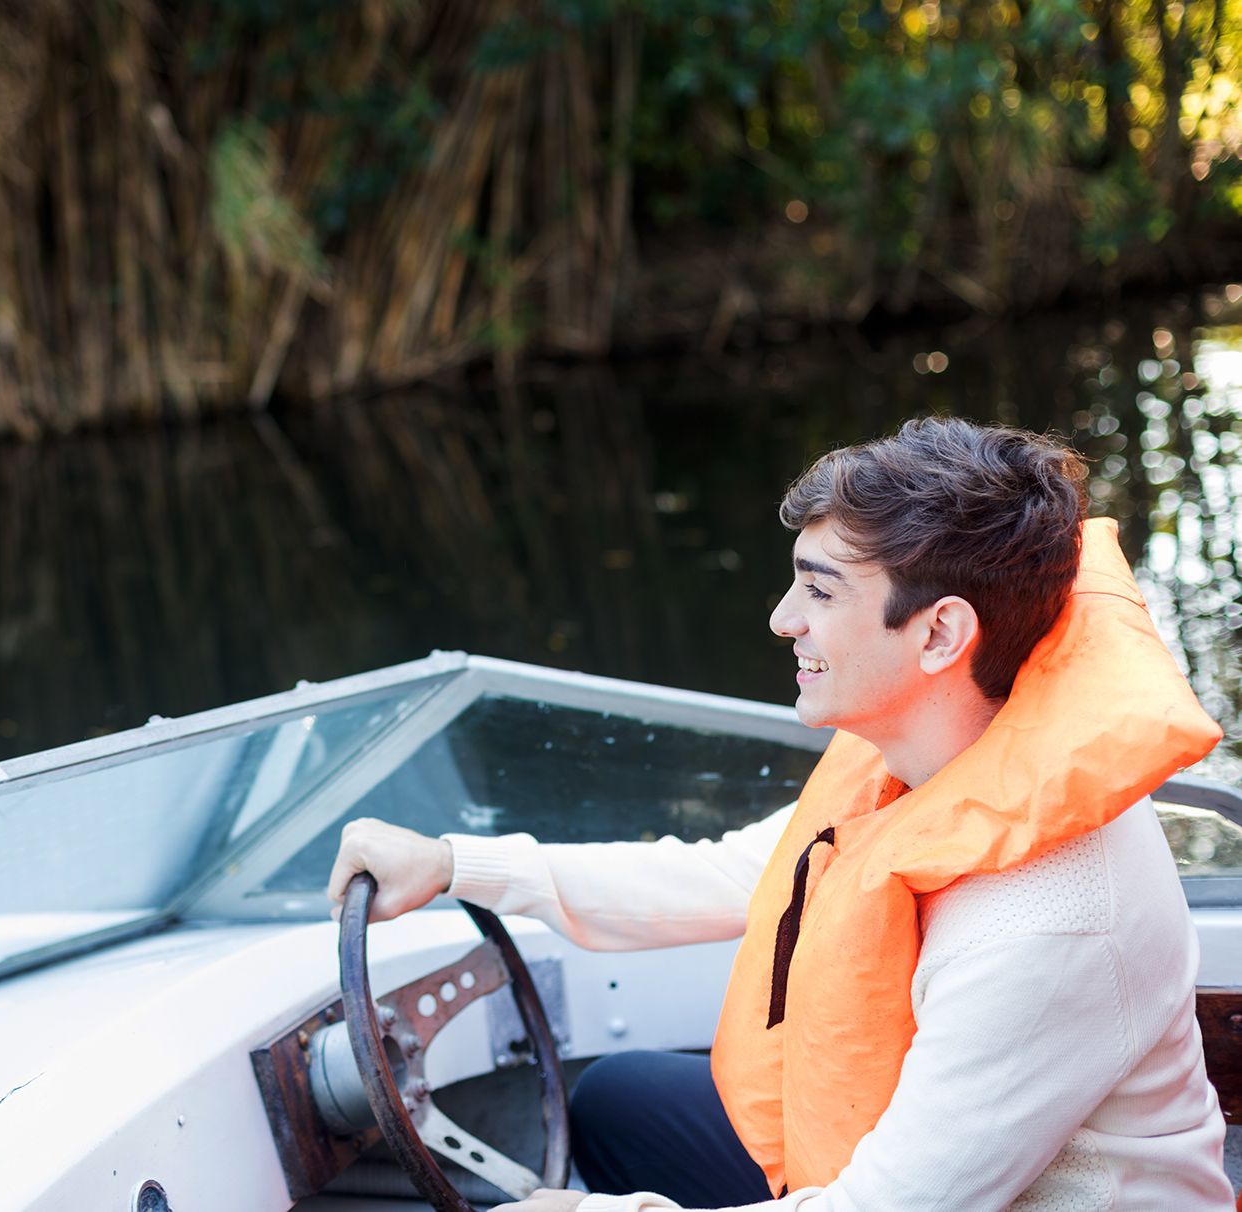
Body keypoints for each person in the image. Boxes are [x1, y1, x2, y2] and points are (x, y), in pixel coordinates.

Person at [327, 418, 1231, 1211]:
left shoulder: (1050, 921)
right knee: (618, 1098)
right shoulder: (930, 758)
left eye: (820, 591)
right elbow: (738, 873)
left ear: (939, 636)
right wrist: (454, 864)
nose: (780, 619)